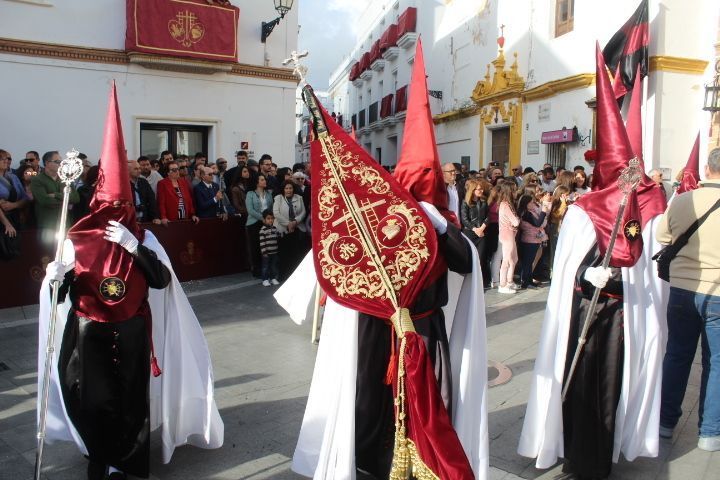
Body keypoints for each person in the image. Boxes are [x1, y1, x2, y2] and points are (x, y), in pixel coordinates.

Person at [38, 85, 223, 480]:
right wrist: (56, 279)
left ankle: (131, 461)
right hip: (88, 333)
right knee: (92, 400)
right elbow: (62, 294)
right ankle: (99, 456)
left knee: (131, 399)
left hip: (132, 331)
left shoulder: (143, 237)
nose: (117, 212)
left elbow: (161, 280)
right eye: (110, 206)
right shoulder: (76, 240)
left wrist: (135, 248)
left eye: (123, 206)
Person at [518, 49, 668, 479]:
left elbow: (644, 263)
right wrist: (586, 273)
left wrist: (623, 270)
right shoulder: (583, 211)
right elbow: (567, 266)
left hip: (620, 315)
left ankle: (598, 459)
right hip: (584, 310)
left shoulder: (642, 210)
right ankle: (574, 453)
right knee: (579, 382)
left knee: (608, 388)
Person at [656, 147, 720, 451]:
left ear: (706, 169)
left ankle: (664, 423)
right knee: (717, 362)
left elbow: (662, 236)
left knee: (677, 355)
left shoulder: (682, 200)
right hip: (717, 293)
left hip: (682, 288)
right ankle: (709, 433)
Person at [31, 151, 80, 248]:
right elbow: (44, 201)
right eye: (57, 161)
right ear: (47, 163)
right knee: (48, 253)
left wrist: (56, 195)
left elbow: (76, 198)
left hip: (65, 223)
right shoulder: (37, 179)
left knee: (66, 252)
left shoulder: (65, 179)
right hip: (48, 225)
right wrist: (67, 201)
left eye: (62, 161)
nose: (61, 164)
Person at [273, 180, 308, 279]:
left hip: (296, 228)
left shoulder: (299, 198)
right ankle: (283, 275)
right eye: (286, 188)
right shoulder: (278, 198)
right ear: (283, 189)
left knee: (295, 253)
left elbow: (303, 212)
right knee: (284, 253)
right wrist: (288, 224)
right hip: (282, 229)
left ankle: (295, 276)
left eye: (290, 188)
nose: (288, 190)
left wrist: (295, 222)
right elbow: (276, 213)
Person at [517, 187, 550, 289]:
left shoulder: (531, 211)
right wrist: (543, 211)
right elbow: (538, 223)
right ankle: (525, 282)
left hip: (535, 239)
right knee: (527, 262)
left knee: (530, 261)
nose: (533, 204)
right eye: (531, 202)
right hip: (529, 240)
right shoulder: (525, 213)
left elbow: (541, 223)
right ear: (526, 204)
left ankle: (529, 280)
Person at [460, 178, 491, 285]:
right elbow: (464, 219)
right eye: (478, 189)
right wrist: (475, 229)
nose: (481, 191)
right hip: (469, 233)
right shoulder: (466, 202)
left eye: (481, 189)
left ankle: (478, 282)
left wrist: (482, 228)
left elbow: (488, 217)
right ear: (472, 190)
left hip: (481, 233)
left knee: (481, 258)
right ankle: (468, 281)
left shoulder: (483, 201)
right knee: (470, 258)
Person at [245, 173, 274, 277]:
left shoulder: (268, 193)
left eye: (264, 179)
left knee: (267, 247)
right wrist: (262, 218)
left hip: (267, 223)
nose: (264, 181)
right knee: (255, 247)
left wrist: (268, 219)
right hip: (254, 223)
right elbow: (250, 210)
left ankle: (267, 269)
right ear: (257, 182)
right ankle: (256, 269)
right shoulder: (250, 194)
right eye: (262, 180)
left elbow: (271, 207)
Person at [496, 180, 520, 294]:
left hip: (509, 233)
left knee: (513, 258)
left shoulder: (506, 204)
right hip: (507, 234)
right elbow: (515, 222)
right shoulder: (505, 205)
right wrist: (517, 220)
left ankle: (509, 281)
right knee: (506, 259)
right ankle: (502, 284)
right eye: (514, 190)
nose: (516, 192)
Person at [0, 149, 29, 233]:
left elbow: (25, 198)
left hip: (15, 217)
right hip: (3, 220)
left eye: (7, 158)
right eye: (1, 159)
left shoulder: (13, 177)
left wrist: (14, 205)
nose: (6, 161)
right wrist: (7, 224)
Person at [258, 209, 280, 286]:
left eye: (272, 218)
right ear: (264, 220)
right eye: (268, 218)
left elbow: (276, 238)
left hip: (274, 252)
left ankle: (273, 278)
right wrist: (264, 252)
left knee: (273, 266)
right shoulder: (262, 230)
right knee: (265, 267)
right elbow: (262, 242)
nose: (270, 220)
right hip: (266, 253)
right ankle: (265, 279)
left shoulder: (274, 228)